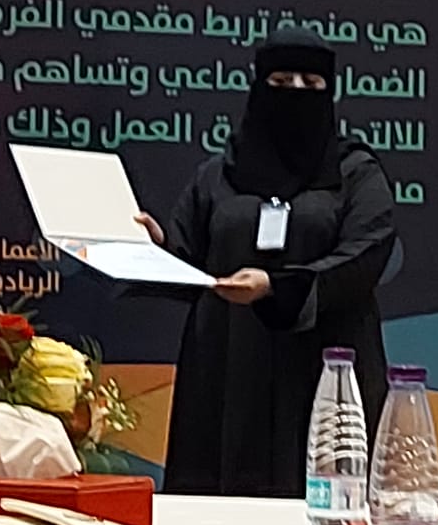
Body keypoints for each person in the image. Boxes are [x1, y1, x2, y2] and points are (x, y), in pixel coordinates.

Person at [137, 28, 396, 497]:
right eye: (281, 81)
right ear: (258, 87)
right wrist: (156, 248)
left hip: (325, 363)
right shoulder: (219, 174)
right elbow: (189, 261)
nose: (295, 92)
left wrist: (278, 287)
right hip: (230, 364)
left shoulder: (354, 171)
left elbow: (366, 251)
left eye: (311, 84)